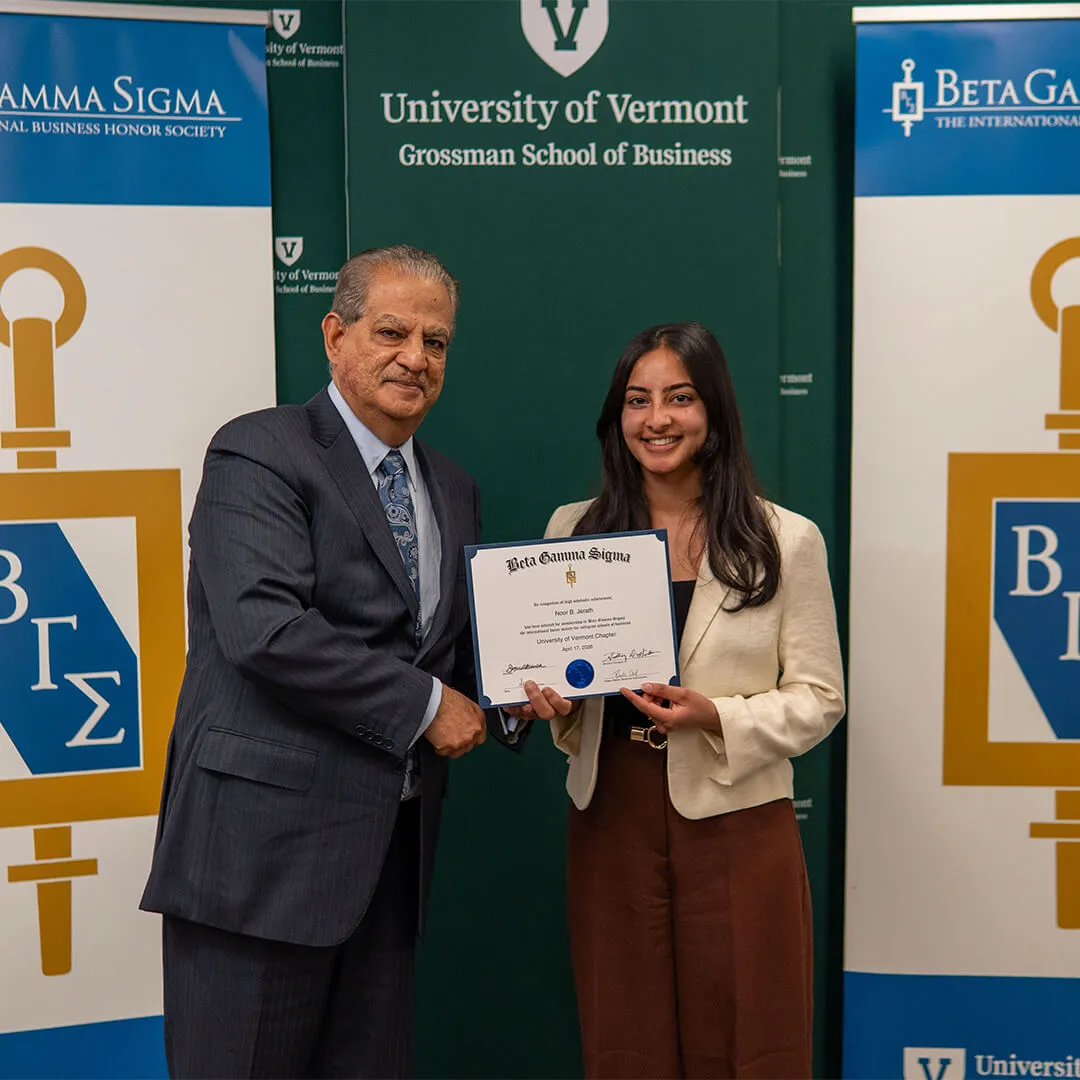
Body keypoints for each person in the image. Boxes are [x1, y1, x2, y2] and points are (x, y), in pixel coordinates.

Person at [141, 245, 509, 1079]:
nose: (416, 358)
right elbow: (265, 629)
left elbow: (454, 653)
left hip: (386, 867)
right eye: (392, 332)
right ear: (335, 335)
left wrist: (524, 695)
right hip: (258, 867)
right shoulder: (258, 451)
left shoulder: (453, 487)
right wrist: (427, 707)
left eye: (438, 341)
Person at [511, 321, 845, 1080]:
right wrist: (554, 705)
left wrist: (716, 716)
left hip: (737, 818)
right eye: (638, 400)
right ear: (617, 418)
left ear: (713, 412)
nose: (657, 419)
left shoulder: (785, 540)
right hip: (611, 816)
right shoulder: (573, 532)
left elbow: (821, 697)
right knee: (623, 1033)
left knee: (751, 1030)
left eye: (679, 398)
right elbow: (568, 689)